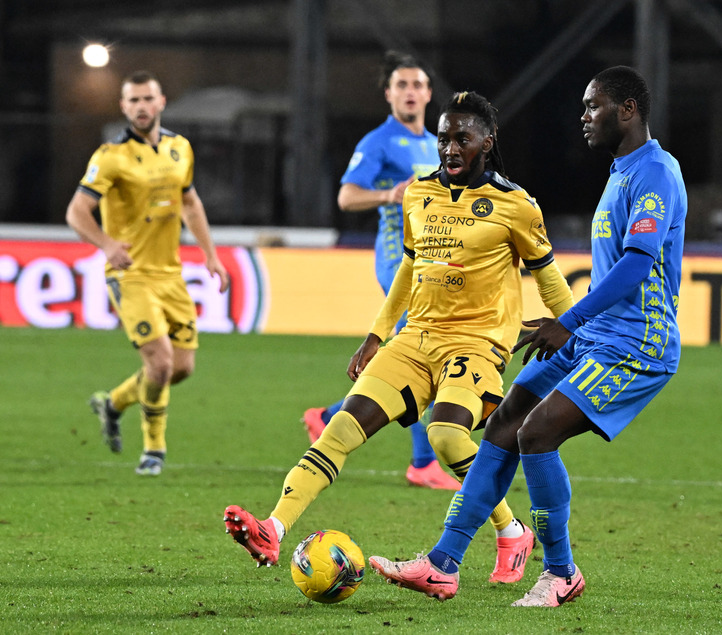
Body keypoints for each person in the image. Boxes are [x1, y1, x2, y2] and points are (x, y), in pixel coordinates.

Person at [224, 90, 576, 586]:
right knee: (340, 429)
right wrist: (376, 335)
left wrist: (577, 330)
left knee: (447, 435)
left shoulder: (515, 205)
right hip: (415, 339)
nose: (451, 148)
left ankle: (511, 529)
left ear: (487, 142)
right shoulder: (418, 193)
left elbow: (548, 275)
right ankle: (274, 528)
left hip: (476, 344)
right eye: (443, 138)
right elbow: (410, 269)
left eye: (463, 138)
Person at [369, 65, 687, 607]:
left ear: (628, 110)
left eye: (594, 106)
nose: (584, 117)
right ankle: (443, 563)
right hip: (596, 336)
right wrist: (568, 325)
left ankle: (560, 572)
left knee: (536, 435)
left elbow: (636, 265)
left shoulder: (656, 171)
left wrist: (569, 320)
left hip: (638, 344)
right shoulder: (620, 170)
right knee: (504, 422)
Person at [301, 51, 460, 490]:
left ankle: (330, 415)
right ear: (389, 93)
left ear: (429, 93)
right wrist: (391, 195)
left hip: (435, 261)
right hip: (398, 259)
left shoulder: (436, 144)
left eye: (417, 85)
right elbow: (347, 197)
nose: (410, 92)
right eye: (401, 85)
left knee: (411, 354)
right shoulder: (378, 142)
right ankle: (423, 461)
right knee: (422, 351)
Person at [66, 70, 230, 476]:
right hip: (131, 275)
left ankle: (115, 402)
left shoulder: (180, 149)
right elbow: (76, 211)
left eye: (147, 99)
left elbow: (190, 204)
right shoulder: (110, 157)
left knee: (182, 368)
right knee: (159, 364)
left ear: (161, 102)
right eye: (133, 100)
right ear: (124, 107)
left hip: (171, 274)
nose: (141, 106)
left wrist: (211, 255)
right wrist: (107, 244)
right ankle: (153, 449)